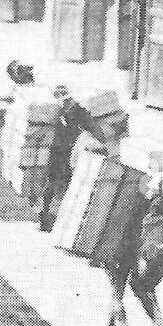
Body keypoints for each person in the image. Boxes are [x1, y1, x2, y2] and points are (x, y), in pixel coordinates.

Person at [40, 84, 106, 233]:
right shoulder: (78, 110)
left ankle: (45, 215)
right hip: (68, 153)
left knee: (52, 184)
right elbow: (93, 128)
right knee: (67, 187)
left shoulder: (58, 111)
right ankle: (59, 220)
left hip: (58, 151)